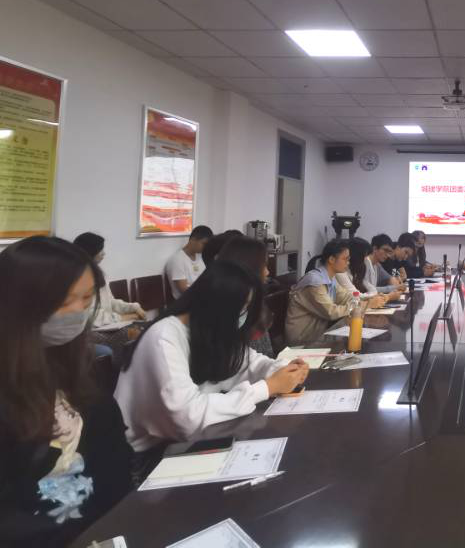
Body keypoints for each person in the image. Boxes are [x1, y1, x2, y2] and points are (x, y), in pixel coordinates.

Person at [0, 237, 132, 546]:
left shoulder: (74, 369)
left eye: (86, 299)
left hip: (101, 529)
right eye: (63, 302)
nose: (77, 313)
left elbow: (114, 462)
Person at [115, 262, 309, 463]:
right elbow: (187, 417)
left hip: (187, 440)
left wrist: (284, 370)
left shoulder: (208, 329)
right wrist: (267, 388)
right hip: (145, 455)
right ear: (218, 306)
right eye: (242, 307)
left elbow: (247, 363)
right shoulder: (164, 338)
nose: (243, 315)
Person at [286, 239, 386, 345]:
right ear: (332, 259)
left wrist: (370, 300)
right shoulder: (315, 283)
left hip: (318, 336)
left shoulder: (330, 278)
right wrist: (367, 305)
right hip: (302, 341)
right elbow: (331, 312)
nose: (348, 263)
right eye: (345, 259)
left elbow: (346, 297)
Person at [216, 236, 275, 357]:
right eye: (264, 266)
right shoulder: (221, 313)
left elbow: (264, 355)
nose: (267, 272)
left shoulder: (253, 303)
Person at [73, 232, 146, 326]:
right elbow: (92, 317)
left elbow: (110, 302)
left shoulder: (98, 274)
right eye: (100, 250)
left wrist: (133, 307)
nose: (104, 253)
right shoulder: (78, 279)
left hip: (108, 326)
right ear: (90, 252)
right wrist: (128, 317)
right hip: (93, 330)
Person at [339, 238, 402, 303]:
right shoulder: (341, 272)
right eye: (364, 256)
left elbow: (373, 289)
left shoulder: (356, 269)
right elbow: (357, 296)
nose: (365, 259)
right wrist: (387, 296)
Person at [164, 225, 213, 299]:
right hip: (185, 301)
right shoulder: (177, 259)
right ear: (193, 239)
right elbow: (184, 290)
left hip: (200, 298)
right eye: (204, 244)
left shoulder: (200, 256)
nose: (206, 247)